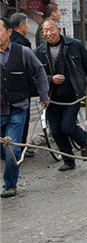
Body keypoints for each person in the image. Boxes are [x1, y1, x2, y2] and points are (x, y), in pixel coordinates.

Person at [34, 18, 87, 171]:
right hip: (52, 99)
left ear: (59, 30)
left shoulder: (74, 45)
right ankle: (68, 161)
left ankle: (83, 141)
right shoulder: (39, 52)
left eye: (51, 29)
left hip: (72, 96)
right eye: (45, 31)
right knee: (55, 131)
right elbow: (35, 76)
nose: (48, 33)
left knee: (68, 127)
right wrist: (51, 79)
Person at [0, 17, 49, 198]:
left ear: (9, 32)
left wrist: (44, 95)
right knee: (4, 152)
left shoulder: (23, 52)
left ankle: (10, 185)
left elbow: (39, 72)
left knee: (12, 149)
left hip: (17, 109)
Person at [8, 13, 35, 158]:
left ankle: (12, 147)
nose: (28, 26)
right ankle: (19, 147)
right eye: (27, 24)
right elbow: (30, 67)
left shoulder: (7, 40)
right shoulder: (22, 44)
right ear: (21, 25)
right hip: (21, 88)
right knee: (22, 119)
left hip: (7, 88)